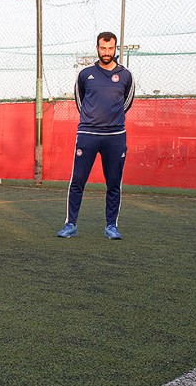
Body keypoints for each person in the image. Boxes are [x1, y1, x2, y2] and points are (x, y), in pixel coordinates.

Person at [57, 31, 135, 240]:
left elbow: (127, 102)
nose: (107, 52)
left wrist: (113, 119)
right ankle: (70, 224)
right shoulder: (85, 74)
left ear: (116, 49)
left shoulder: (126, 75)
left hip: (115, 136)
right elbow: (79, 101)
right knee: (78, 180)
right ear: (97, 48)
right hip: (88, 134)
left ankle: (111, 226)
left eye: (110, 48)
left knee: (114, 182)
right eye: (103, 48)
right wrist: (91, 119)